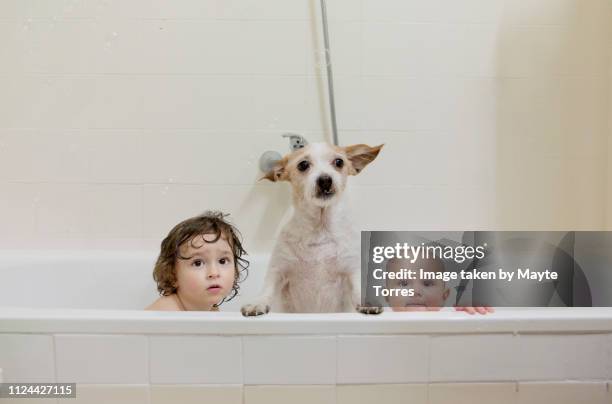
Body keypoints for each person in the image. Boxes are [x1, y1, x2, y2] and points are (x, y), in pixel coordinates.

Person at [146, 211, 248, 311]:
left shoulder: (211, 309)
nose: (214, 273)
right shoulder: (166, 312)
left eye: (222, 261)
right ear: (173, 276)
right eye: (198, 263)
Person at [385, 257, 494, 315]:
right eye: (404, 284)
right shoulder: (379, 321)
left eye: (427, 283)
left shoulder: (451, 317)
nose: (415, 291)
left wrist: (470, 313)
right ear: (387, 295)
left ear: (444, 295)